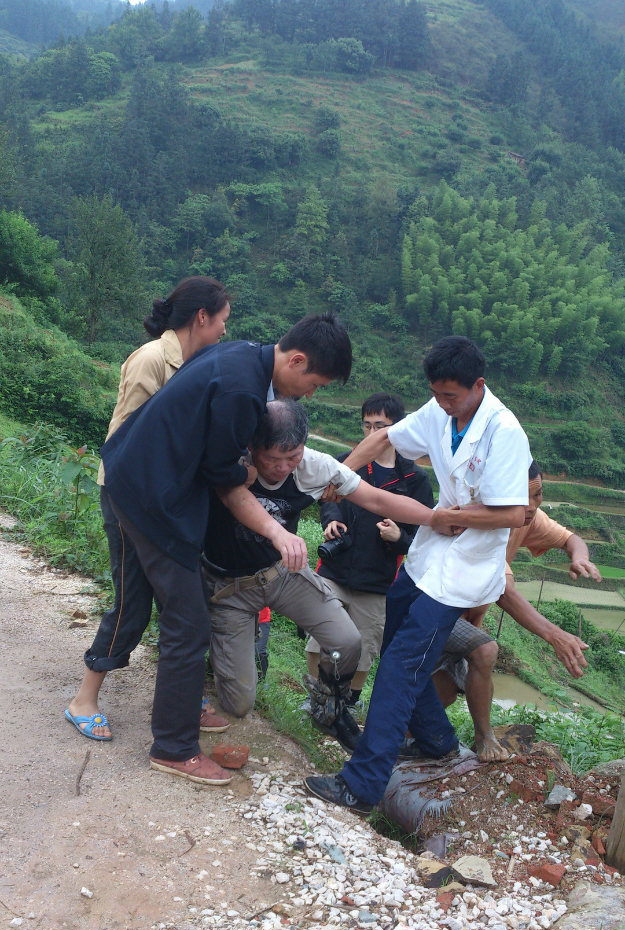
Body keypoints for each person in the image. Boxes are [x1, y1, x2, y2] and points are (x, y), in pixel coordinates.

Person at [99, 312, 355, 787]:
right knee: (187, 623)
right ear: (297, 360)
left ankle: (182, 713)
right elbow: (223, 475)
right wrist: (250, 480)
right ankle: (174, 747)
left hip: (136, 478)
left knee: (178, 613)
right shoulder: (244, 392)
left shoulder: (242, 355)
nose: (309, 394)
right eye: (314, 384)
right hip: (153, 498)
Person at [305, 334, 531, 814]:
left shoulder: (504, 431)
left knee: (402, 664)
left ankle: (362, 785)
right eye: (437, 394)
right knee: (393, 640)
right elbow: (385, 438)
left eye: (452, 396)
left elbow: (513, 513)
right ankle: (436, 740)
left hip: (465, 568)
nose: (444, 404)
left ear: (478, 386)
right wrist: (341, 475)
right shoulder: (440, 410)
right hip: (430, 553)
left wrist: (451, 517)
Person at [202, 399, 452, 746]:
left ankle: (329, 707)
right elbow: (232, 497)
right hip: (229, 587)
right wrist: (279, 534)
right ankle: (216, 660)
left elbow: (376, 499)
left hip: (281, 574)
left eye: (293, 457)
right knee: (239, 703)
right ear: (253, 446)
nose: (282, 468)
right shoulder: (233, 461)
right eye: (273, 459)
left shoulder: (314, 466)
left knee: (347, 641)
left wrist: (436, 518)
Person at [65, 277, 231, 743]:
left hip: (164, 504)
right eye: (222, 320)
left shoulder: (196, 363)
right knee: (132, 601)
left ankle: (184, 698)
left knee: (181, 602)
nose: (224, 330)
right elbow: (130, 441)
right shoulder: (151, 359)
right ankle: (84, 699)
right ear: (202, 317)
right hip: (129, 498)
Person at [416, 460, 601, 759]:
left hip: (464, 618)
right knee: (485, 651)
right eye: (522, 497)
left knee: (446, 691)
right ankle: (484, 738)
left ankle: (408, 740)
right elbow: (504, 592)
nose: (531, 506)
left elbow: (570, 538)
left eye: (537, 494)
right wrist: (555, 635)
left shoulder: (527, 517)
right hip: (433, 607)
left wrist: (579, 556)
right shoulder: (479, 522)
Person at [305, 392, 434, 707]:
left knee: (365, 646)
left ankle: (348, 704)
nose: (372, 433)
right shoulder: (348, 461)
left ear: (398, 428)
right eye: (367, 425)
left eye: (380, 426)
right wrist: (332, 520)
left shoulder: (415, 480)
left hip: (377, 581)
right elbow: (327, 499)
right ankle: (316, 698)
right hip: (335, 569)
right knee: (317, 640)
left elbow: (422, 538)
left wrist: (398, 537)